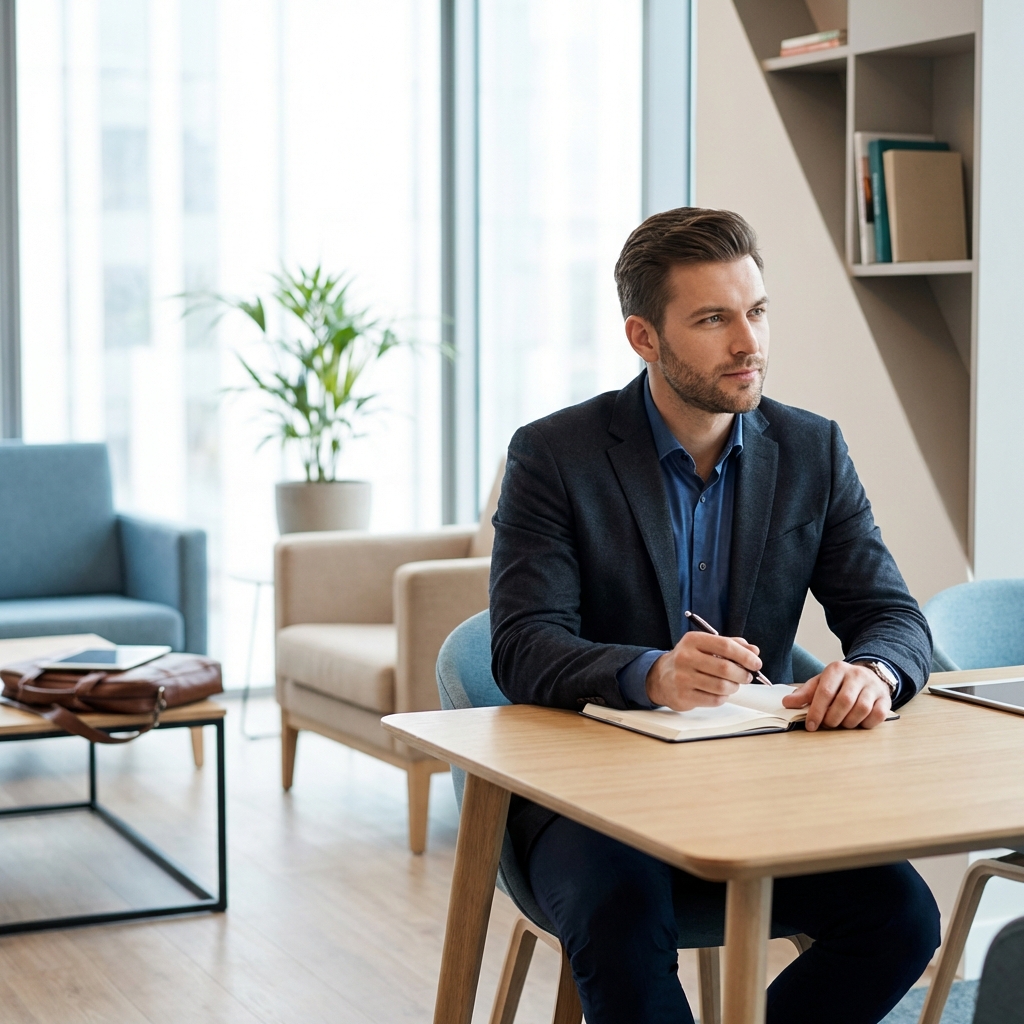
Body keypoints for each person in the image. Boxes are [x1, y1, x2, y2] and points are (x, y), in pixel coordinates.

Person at [489, 207, 941, 1024]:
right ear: (644, 338)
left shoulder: (813, 450)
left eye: (757, 312)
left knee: (901, 920)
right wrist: (651, 672)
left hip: (753, 790)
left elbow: (892, 616)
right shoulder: (554, 454)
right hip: (591, 799)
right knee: (622, 919)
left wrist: (874, 672)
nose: (749, 342)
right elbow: (522, 646)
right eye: (713, 319)